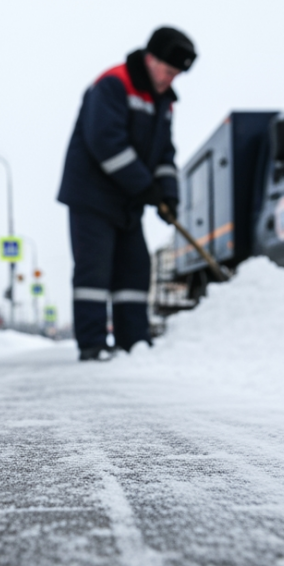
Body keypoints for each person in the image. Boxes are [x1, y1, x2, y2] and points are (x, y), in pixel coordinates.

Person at [57, 27, 196, 361]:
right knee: (95, 271)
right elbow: (106, 143)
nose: (169, 79)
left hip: (128, 199)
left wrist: (168, 194)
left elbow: (164, 155)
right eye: (167, 70)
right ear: (150, 59)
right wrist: (144, 186)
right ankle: (91, 344)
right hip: (92, 195)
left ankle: (132, 342)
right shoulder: (114, 84)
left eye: (176, 74)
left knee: (134, 269)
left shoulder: (164, 102)